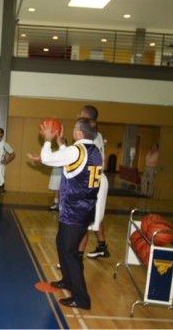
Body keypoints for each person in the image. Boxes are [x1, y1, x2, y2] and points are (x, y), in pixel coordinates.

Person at [28, 117, 102, 310]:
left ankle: (81, 299)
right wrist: (60, 143)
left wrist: (47, 139)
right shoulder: (94, 151)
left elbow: (47, 158)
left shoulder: (76, 151)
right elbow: (70, 161)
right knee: (62, 244)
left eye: (74, 129)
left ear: (79, 133)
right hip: (83, 209)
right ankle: (67, 282)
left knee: (70, 253)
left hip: (74, 211)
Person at [78, 105, 110, 259]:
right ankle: (102, 246)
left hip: (94, 180)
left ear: (88, 118)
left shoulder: (90, 137)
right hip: (96, 179)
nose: (77, 115)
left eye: (80, 113)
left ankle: (76, 257)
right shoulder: (97, 135)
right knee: (95, 217)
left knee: (84, 220)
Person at [48, 138, 67, 211]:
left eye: (64, 142)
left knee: (61, 190)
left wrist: (59, 164)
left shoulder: (66, 153)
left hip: (62, 173)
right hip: (55, 172)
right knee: (56, 189)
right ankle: (56, 204)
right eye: (61, 141)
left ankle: (62, 205)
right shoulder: (57, 152)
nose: (62, 143)